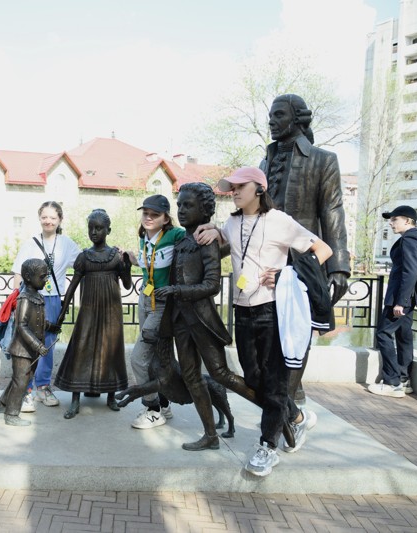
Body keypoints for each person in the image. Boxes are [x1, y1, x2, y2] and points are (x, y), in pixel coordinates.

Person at [196, 167, 331, 477]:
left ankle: (267, 446)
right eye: (231, 187)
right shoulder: (232, 223)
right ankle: (296, 417)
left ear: (259, 189)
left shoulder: (279, 220)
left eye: (239, 186)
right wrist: (215, 231)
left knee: (274, 381)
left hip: (273, 309)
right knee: (254, 378)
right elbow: (226, 242)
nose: (233, 191)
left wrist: (288, 273)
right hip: (242, 310)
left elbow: (323, 250)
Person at [155, 183, 260, 451]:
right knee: (191, 377)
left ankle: (277, 410)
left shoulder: (207, 241)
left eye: (188, 205)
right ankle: (210, 435)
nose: (181, 210)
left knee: (221, 374)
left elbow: (212, 285)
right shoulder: (181, 241)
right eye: (179, 205)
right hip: (180, 320)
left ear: (204, 210)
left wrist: (178, 290)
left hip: (202, 321)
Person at [261, 94, 351, 404]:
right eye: (271, 115)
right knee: (268, 336)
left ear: (297, 119)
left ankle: (288, 406)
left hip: (303, 264)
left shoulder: (323, 160)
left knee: (296, 333)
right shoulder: (265, 161)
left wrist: (339, 267)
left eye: (279, 115)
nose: (271, 121)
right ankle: (285, 400)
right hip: (266, 263)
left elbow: (332, 211)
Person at [54, 209, 133, 419]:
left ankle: (110, 396)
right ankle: (75, 400)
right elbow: (72, 286)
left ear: (108, 230)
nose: (94, 232)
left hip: (111, 312)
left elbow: (127, 285)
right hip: (88, 311)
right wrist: (63, 311)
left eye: (99, 228)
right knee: (81, 349)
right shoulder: (84, 257)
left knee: (111, 350)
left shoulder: (115, 256)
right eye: (91, 228)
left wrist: (126, 266)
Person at [11, 201, 80, 412]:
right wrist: (16, 300)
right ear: (39, 218)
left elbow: (84, 263)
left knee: (48, 343)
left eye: (52, 217)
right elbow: (18, 273)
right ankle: (26, 390)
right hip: (31, 298)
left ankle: (43, 387)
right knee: (28, 343)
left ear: (60, 219)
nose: (48, 221)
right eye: (44, 217)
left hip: (52, 300)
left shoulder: (67, 244)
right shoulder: (30, 243)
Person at [127, 194, 185, 429]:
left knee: (138, 359)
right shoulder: (144, 238)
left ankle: (152, 409)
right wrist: (133, 260)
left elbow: (195, 236)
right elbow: (148, 265)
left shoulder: (174, 235)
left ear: (166, 218)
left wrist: (211, 228)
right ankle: (163, 403)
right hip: (145, 299)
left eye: (155, 214)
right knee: (153, 357)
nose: (149, 217)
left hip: (161, 304)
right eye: (146, 213)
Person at [368, 205, 417, 398]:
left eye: (394, 219)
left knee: (383, 334)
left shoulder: (409, 240)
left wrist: (400, 302)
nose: (391, 223)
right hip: (408, 297)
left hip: (400, 298)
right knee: (403, 335)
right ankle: (403, 379)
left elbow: (410, 272)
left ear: (407, 221)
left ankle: (392, 383)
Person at [0, 259, 60, 425]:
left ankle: (3, 403)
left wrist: (52, 327)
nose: (46, 279)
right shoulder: (24, 299)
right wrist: (38, 345)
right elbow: (22, 326)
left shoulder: (38, 297)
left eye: (46, 275)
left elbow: (38, 322)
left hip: (31, 350)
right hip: (22, 350)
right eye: (42, 276)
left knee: (20, 379)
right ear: (29, 277)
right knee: (21, 382)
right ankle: (11, 415)